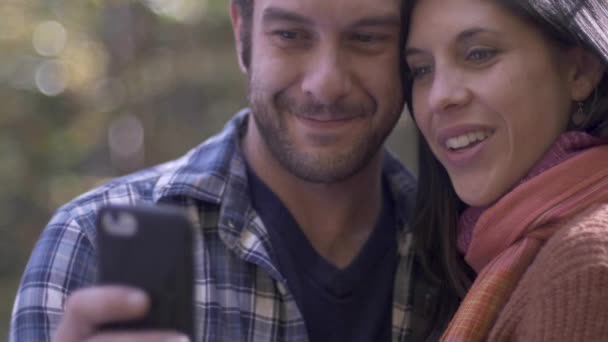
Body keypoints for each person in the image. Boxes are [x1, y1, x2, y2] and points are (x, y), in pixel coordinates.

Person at [10, 0, 441, 341]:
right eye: (290, 35)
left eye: (367, 38)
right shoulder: (85, 243)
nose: (326, 83)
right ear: (242, 36)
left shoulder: (456, 254)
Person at [403, 0, 608, 340]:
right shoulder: (487, 251)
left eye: (478, 54)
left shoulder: (585, 262)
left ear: (580, 72)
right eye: (422, 70)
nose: (439, 97)